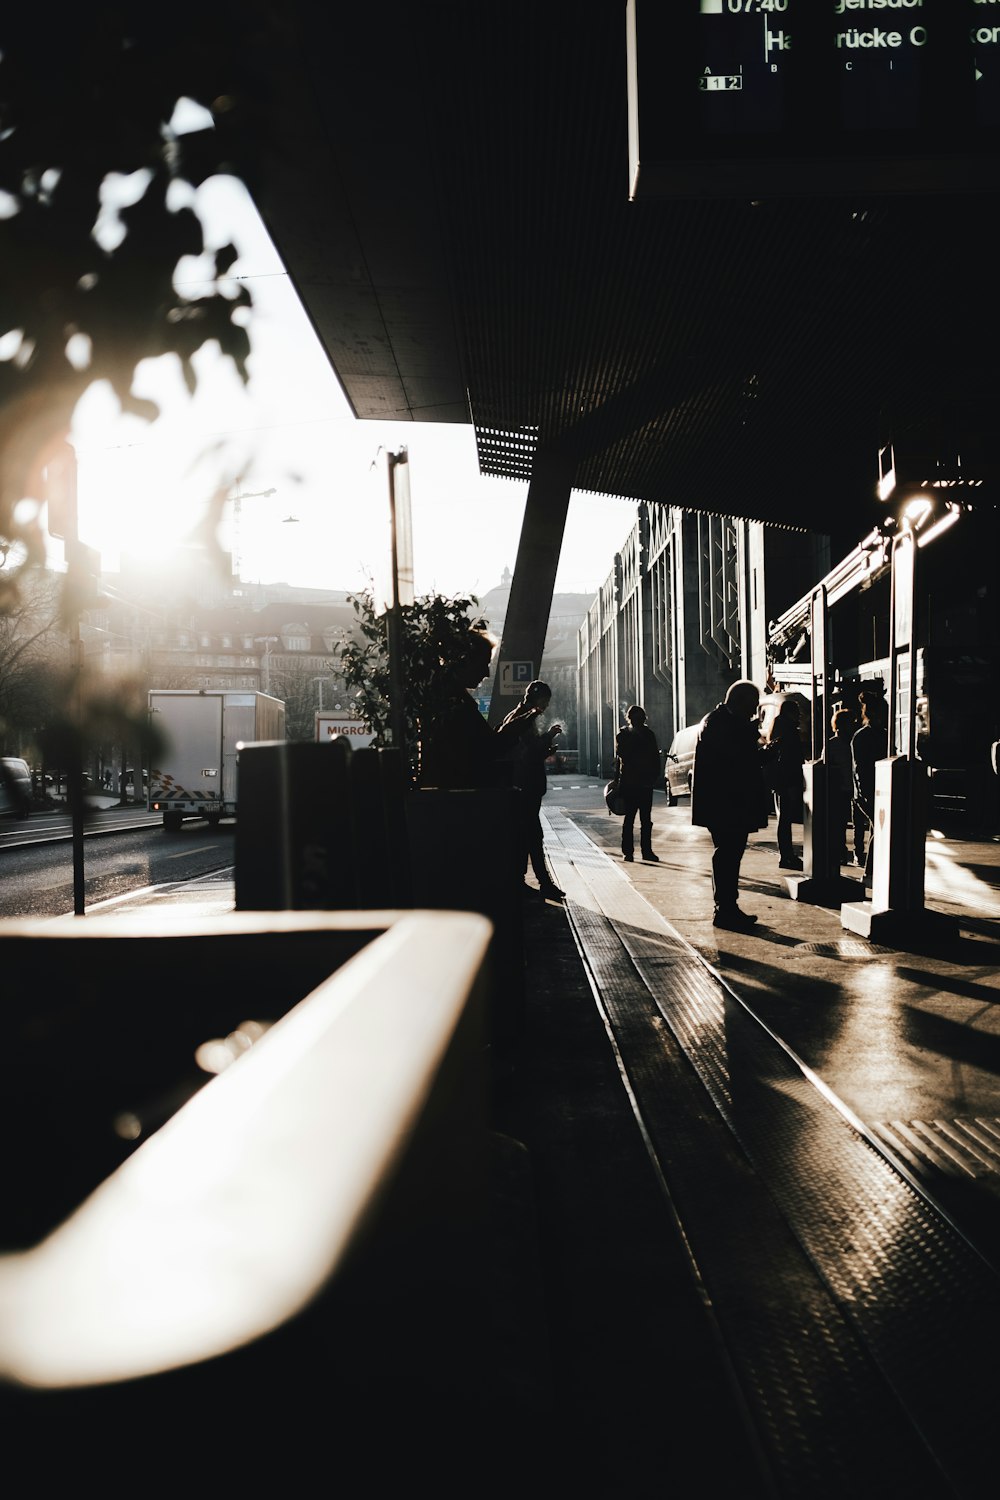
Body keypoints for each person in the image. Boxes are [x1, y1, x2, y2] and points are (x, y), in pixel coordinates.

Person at [690, 679, 770, 931]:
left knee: (729, 854)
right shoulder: (721, 723)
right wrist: (758, 749)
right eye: (752, 705)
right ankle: (725, 908)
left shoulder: (719, 720)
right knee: (728, 854)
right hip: (726, 803)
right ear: (740, 701)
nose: (753, 710)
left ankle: (727, 907)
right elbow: (733, 761)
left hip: (726, 802)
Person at [418, 624, 517, 790]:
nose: (486, 673)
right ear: (464, 661)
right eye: (483, 664)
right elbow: (483, 750)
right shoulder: (457, 705)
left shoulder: (439, 699)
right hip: (461, 797)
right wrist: (515, 729)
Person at [499, 680, 565, 900]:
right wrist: (548, 737)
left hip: (523, 785)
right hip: (525, 786)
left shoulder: (518, 716)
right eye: (545, 701)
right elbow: (529, 752)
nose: (546, 706)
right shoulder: (524, 719)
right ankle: (539, 883)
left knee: (528, 836)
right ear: (537, 699)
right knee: (532, 836)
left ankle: (527, 881)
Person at [762, 696, 805, 871]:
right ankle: (787, 855)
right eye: (797, 712)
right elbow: (791, 758)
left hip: (779, 780)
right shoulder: (789, 731)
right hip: (788, 779)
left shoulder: (778, 727)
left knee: (784, 819)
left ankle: (786, 854)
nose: (799, 716)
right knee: (786, 818)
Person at [614, 704, 661, 863]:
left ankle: (628, 852)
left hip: (630, 783)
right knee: (645, 820)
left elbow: (620, 760)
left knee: (629, 820)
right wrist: (653, 777)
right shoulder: (648, 735)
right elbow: (655, 758)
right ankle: (646, 852)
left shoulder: (624, 735)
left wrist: (618, 783)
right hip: (644, 784)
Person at [851, 692, 888, 892]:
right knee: (880, 830)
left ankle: (873, 872)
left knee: (878, 829)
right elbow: (861, 768)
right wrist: (865, 792)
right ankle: (870, 872)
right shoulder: (866, 736)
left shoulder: (869, 735)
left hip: (878, 791)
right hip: (870, 792)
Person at [826, 708, 856, 865]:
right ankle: (840, 851)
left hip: (848, 788)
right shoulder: (835, 744)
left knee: (842, 822)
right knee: (840, 823)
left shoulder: (842, 743)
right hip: (841, 790)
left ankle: (844, 851)